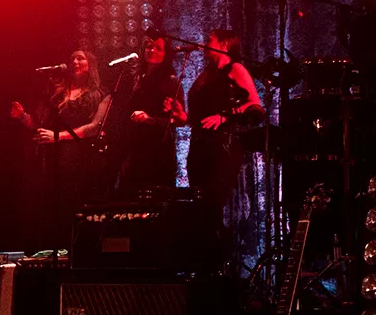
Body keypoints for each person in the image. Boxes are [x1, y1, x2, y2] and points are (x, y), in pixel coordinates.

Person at [10, 48, 112, 237]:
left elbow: (95, 127)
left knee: (74, 206)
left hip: (81, 159)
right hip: (52, 160)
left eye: (80, 58)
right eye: (72, 59)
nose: (75, 62)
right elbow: (40, 124)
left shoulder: (101, 93)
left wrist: (59, 136)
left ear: (90, 64)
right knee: (51, 209)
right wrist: (22, 116)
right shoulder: (57, 94)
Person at [185, 29, 263, 208]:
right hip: (199, 144)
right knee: (199, 201)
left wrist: (225, 116)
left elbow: (255, 105)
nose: (205, 44)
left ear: (224, 44)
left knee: (214, 201)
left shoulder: (235, 69)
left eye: (209, 40)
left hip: (222, 145)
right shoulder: (207, 74)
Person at [112, 29, 187, 194]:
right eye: (149, 46)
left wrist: (149, 119)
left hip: (158, 151)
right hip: (136, 149)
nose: (152, 50)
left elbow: (180, 120)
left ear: (166, 54)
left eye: (158, 48)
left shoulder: (170, 81)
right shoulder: (138, 78)